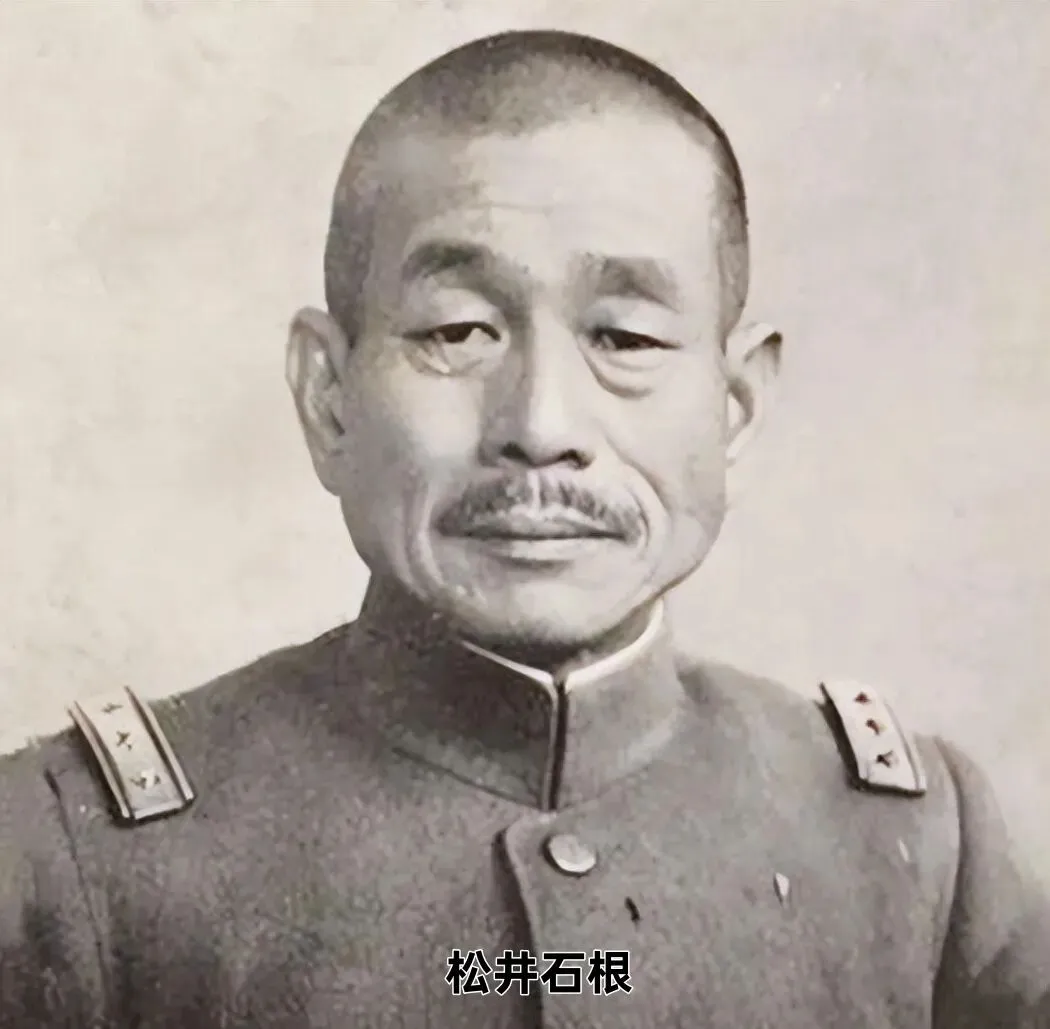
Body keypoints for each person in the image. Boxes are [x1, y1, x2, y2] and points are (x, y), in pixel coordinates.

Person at [1, 28, 1047, 1029]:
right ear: (329, 398)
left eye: (625, 337)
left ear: (735, 408)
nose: (542, 427)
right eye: (459, 331)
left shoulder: (921, 851)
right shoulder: (71, 861)